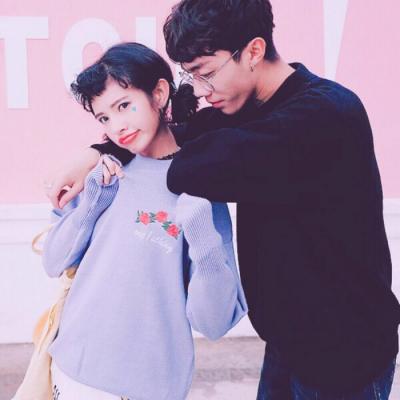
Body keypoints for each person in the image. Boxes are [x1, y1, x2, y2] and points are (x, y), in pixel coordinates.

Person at [46, 1, 400, 399]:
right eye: (191, 76)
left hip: (346, 352)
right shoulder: (247, 110)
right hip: (289, 343)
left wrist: (115, 149)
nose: (200, 90)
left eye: (207, 73)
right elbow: (177, 136)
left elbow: (188, 163)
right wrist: (98, 150)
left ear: (253, 51)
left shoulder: (326, 113)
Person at [42, 42, 247, 400]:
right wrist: (91, 206)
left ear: (159, 93)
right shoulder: (100, 173)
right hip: (76, 374)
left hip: (153, 387)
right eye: (104, 117)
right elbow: (53, 261)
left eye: (124, 106)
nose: (116, 126)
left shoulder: (200, 186)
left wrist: (203, 240)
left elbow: (214, 322)